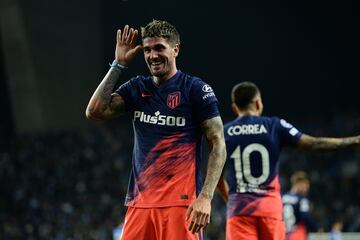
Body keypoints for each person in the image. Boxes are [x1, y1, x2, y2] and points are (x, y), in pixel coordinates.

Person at [85, 20, 226, 240]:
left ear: (175, 49)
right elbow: (95, 112)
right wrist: (118, 64)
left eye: (159, 48)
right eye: (148, 49)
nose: (153, 55)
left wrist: (206, 197)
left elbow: (218, 143)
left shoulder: (196, 89)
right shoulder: (137, 88)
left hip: (180, 204)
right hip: (139, 204)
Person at [217, 81, 360, 240]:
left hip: (239, 210)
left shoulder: (225, 132)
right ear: (258, 102)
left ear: (234, 108)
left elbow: (216, 176)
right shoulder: (274, 125)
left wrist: (230, 199)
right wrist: (355, 140)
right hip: (270, 209)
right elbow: (315, 144)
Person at [282, 171, 319, 240]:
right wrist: (316, 228)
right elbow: (305, 216)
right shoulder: (302, 200)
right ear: (298, 183)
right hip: (296, 234)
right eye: (305, 184)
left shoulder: (282, 198)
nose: (307, 187)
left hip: (282, 235)